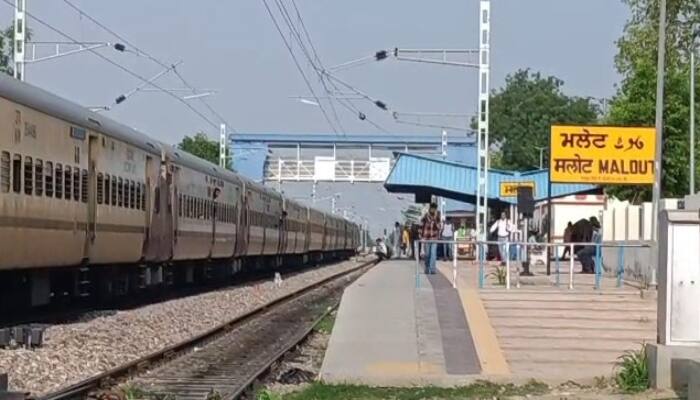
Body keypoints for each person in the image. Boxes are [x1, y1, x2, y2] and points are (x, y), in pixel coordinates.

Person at [420, 202, 442, 274]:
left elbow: (439, 227)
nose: (433, 210)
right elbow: (421, 225)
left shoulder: (437, 216)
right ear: (430, 208)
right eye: (432, 208)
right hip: (427, 238)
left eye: (434, 209)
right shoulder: (426, 216)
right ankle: (427, 267)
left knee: (433, 254)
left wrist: (435, 220)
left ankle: (432, 269)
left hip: (434, 238)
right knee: (427, 254)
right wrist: (421, 235)